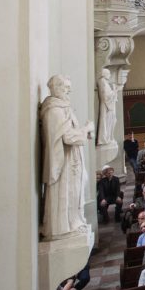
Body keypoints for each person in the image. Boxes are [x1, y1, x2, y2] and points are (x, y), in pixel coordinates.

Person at [41, 75, 95, 239]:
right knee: (66, 192)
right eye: (66, 88)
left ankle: (73, 222)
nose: (69, 91)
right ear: (56, 88)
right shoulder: (54, 111)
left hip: (71, 159)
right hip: (64, 163)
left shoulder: (62, 108)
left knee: (73, 193)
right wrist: (86, 129)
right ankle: (63, 227)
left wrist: (85, 131)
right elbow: (69, 137)